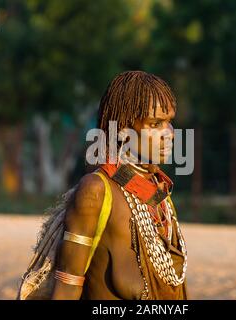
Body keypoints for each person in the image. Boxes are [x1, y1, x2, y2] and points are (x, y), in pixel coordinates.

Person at [51, 70, 188, 300]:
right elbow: (66, 290)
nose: (169, 133)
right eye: (155, 124)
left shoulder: (159, 195)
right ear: (124, 130)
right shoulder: (95, 191)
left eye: (169, 122)